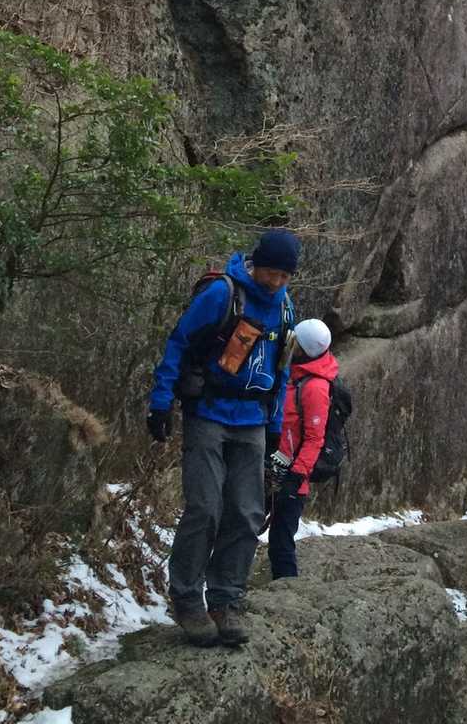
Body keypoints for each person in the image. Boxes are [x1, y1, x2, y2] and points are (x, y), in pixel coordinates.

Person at [147, 228, 300, 647]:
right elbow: (178, 342)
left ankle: (225, 599)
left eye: (285, 276)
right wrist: (161, 401)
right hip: (208, 412)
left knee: (247, 512)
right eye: (271, 272)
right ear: (257, 263)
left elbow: (282, 370)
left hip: (253, 421)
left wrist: (274, 427)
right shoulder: (223, 293)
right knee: (205, 507)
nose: (276, 282)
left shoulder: (286, 308)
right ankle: (187, 599)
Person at [266, 317, 338, 580]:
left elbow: (314, 438)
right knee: (248, 527)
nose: (290, 346)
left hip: (291, 478)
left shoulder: (315, 387)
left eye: (296, 343)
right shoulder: (295, 375)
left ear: (306, 350)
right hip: (275, 468)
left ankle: (288, 593)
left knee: (281, 542)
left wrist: (295, 477)